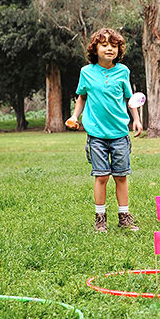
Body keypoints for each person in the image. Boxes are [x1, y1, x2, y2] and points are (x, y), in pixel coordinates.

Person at [66, 28, 142, 233]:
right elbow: (82, 96)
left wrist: (136, 120)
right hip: (97, 135)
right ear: (95, 48)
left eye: (114, 45)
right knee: (101, 176)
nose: (110, 49)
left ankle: (124, 216)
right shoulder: (86, 72)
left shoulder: (123, 71)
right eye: (105, 44)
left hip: (119, 134)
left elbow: (129, 98)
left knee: (121, 176)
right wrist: (75, 116)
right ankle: (100, 217)